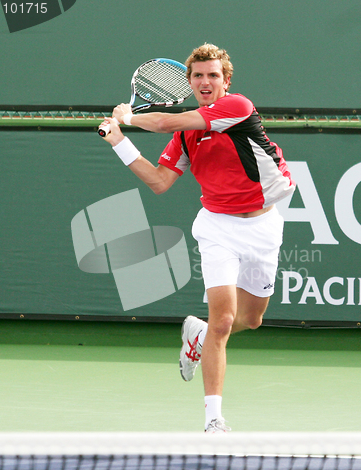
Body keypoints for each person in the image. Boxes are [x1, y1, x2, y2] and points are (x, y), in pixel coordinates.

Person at [100, 43, 295, 433]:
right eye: (198, 76)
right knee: (223, 320)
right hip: (217, 227)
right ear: (189, 82)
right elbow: (158, 182)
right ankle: (214, 421)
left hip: (263, 225)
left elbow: (166, 123)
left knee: (251, 320)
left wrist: (128, 117)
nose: (205, 82)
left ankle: (199, 335)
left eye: (213, 76)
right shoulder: (188, 137)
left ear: (226, 82)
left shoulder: (237, 107)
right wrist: (119, 141)